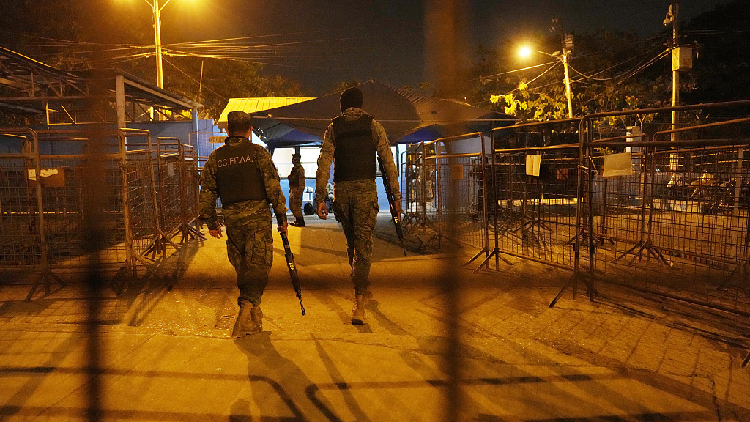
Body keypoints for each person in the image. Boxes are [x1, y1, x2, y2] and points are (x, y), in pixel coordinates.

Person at [315, 86, 401, 325]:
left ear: (342, 106)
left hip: (342, 193)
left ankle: (360, 285)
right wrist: (396, 196)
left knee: (353, 243)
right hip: (365, 191)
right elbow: (388, 161)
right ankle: (359, 300)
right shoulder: (373, 125)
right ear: (361, 104)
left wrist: (320, 197)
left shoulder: (334, 128)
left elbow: (324, 163)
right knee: (363, 247)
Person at [199, 111, 288, 337]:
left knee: (243, 267)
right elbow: (273, 187)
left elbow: (207, 192)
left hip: (233, 219)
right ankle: (245, 312)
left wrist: (211, 222)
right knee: (259, 266)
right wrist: (282, 217)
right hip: (258, 219)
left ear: (228, 131)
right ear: (249, 130)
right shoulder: (258, 153)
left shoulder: (216, 158)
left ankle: (254, 314)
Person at [287, 152, 306, 227]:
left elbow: (301, 180)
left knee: (296, 206)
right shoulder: (294, 169)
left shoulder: (300, 169)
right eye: (293, 159)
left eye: (295, 159)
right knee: (292, 205)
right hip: (293, 189)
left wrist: (300, 190)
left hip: (297, 190)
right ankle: (297, 220)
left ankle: (300, 220)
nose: (293, 161)